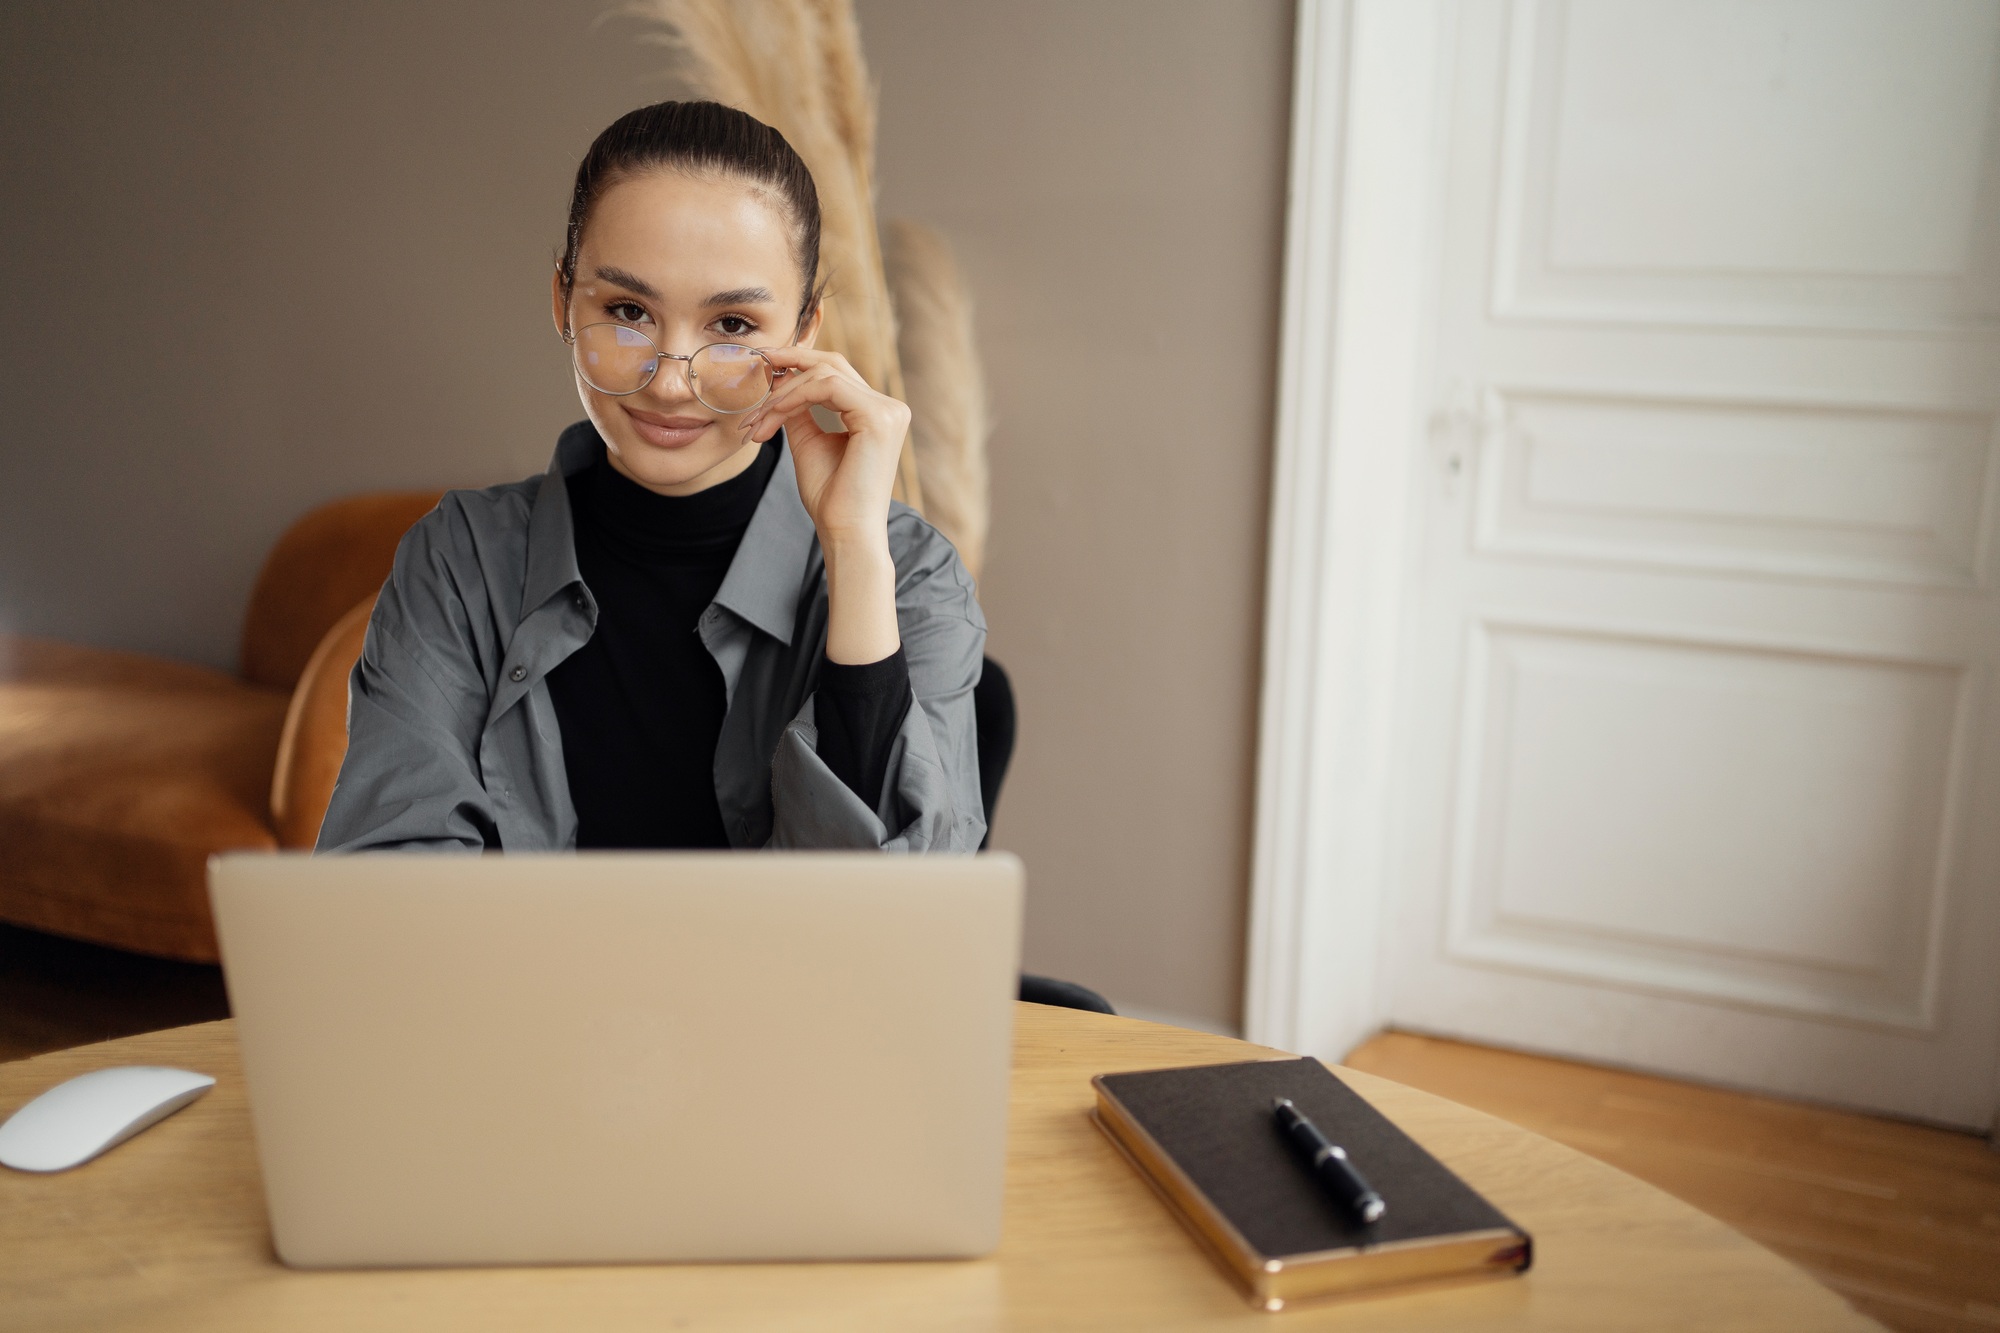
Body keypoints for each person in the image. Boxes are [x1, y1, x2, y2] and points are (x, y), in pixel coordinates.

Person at [318, 100, 986, 853]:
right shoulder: (458, 561)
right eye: (628, 310)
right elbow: (387, 889)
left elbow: (907, 924)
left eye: (732, 326)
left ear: (804, 334)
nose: (669, 384)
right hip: (529, 978)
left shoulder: (910, 573)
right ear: (562, 302)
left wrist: (856, 551)